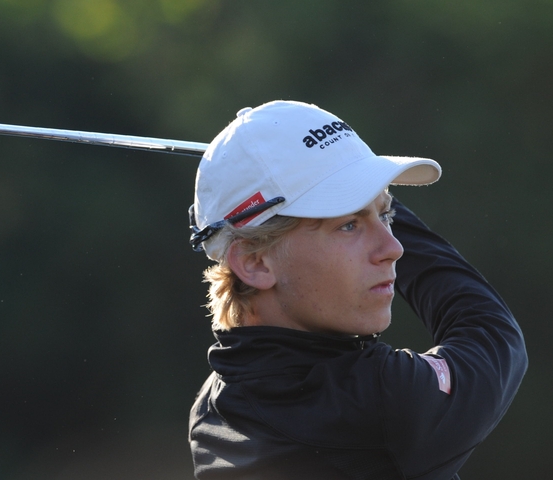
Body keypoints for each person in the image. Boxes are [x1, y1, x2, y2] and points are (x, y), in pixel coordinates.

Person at [187, 100, 528, 480]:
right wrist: (366, 189)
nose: (394, 248)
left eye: (386, 215)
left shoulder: (212, 407)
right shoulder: (379, 401)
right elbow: (491, 333)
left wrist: (357, 189)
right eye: (349, 225)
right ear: (255, 262)